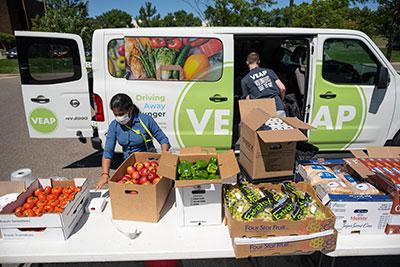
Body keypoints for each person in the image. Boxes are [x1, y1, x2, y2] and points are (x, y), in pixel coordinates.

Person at [95, 93, 170, 189]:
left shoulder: (145, 120)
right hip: (129, 166)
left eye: (121, 114)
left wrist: (164, 155)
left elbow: (163, 139)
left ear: (130, 109)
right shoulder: (114, 126)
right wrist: (105, 174)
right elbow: (108, 151)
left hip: (149, 165)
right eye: (116, 114)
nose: (119, 117)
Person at [241, 52, 287, 117]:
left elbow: (248, 100)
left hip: (261, 111)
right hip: (277, 106)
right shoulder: (270, 71)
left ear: (247, 62)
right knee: (280, 127)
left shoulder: (245, 80)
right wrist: (281, 100)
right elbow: (282, 88)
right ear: (259, 61)